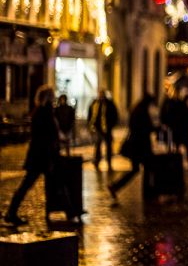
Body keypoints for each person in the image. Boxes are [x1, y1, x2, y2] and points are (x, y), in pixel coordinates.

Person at [3, 85, 78, 225]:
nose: (54, 97)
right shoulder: (45, 112)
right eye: (52, 95)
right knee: (48, 184)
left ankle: (69, 213)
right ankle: (11, 212)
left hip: (42, 156)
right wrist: (58, 139)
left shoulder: (42, 111)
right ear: (48, 97)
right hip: (43, 156)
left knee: (53, 183)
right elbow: (48, 134)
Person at [108, 95, 158, 201]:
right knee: (147, 167)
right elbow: (146, 128)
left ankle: (115, 186)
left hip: (136, 145)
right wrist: (156, 128)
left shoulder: (136, 110)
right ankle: (148, 193)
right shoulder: (142, 112)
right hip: (141, 146)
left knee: (136, 169)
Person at [88, 89, 118, 171]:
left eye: (102, 94)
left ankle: (109, 163)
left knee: (108, 147)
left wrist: (111, 125)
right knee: (98, 146)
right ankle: (97, 162)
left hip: (107, 129)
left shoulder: (109, 104)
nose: (100, 96)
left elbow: (115, 115)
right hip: (98, 129)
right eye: (99, 94)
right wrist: (91, 126)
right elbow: (91, 115)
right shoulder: (95, 103)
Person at [161, 86, 188, 163]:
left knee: (176, 142)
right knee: (172, 141)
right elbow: (165, 113)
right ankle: (173, 156)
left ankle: (177, 156)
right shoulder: (171, 103)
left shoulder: (179, 103)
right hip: (174, 125)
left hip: (177, 126)